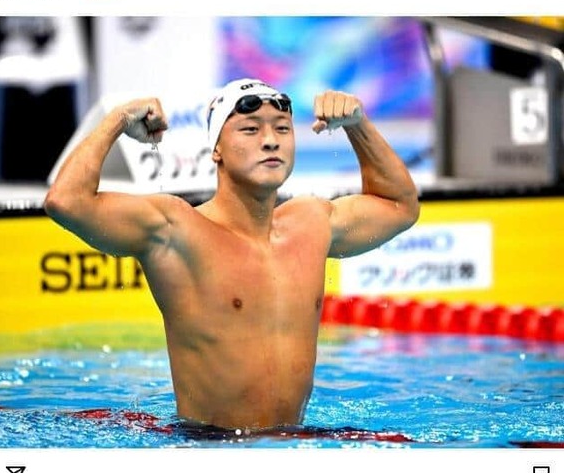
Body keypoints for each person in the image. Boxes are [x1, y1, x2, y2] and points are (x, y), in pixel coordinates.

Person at [44, 78, 420, 432]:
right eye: (250, 129)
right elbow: (66, 202)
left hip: (295, 441)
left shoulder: (311, 223)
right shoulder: (176, 230)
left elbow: (400, 206)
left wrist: (358, 124)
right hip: (209, 446)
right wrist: (117, 120)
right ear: (216, 150)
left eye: (282, 129)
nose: (270, 141)